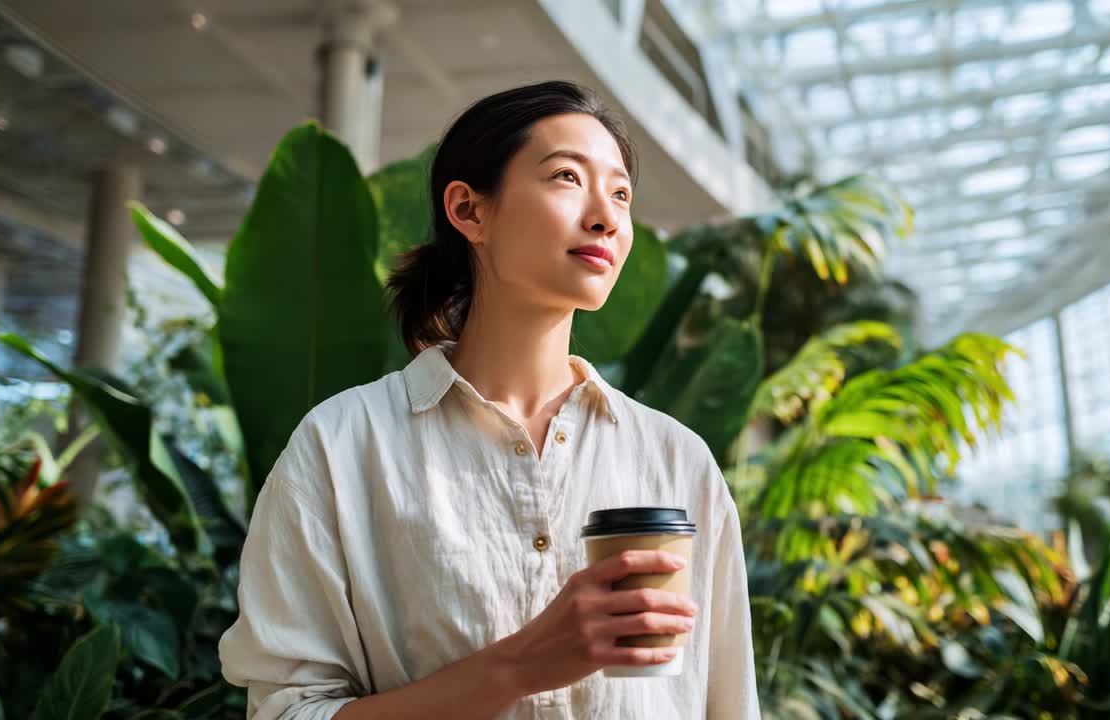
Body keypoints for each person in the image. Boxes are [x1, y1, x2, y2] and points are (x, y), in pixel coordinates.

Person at [218, 80, 760, 720]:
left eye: (620, 194)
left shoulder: (678, 461)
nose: (607, 217)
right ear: (470, 211)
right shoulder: (342, 447)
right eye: (566, 177)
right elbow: (287, 713)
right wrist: (519, 667)